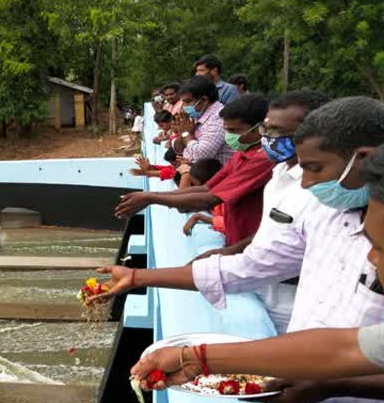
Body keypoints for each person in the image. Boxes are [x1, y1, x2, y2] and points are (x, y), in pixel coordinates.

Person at [97, 98, 384, 403]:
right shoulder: (324, 212)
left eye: (381, 250)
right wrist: (196, 357)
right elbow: (343, 346)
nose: (371, 257)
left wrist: (329, 383)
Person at [193, 90, 331, 332]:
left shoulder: (323, 192)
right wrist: (231, 250)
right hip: (267, 289)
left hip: (297, 297)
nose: (268, 138)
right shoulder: (278, 173)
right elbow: (268, 234)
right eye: (267, 130)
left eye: (277, 132)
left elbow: (266, 259)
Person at [116, 94, 273, 246]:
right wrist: (150, 196)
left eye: (234, 130)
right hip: (236, 236)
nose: (228, 136)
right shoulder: (242, 153)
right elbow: (207, 188)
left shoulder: (262, 160)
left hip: (252, 244)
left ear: (258, 129)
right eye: (227, 130)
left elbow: (211, 197)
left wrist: (151, 198)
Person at [169, 76, 232, 164]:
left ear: (203, 100)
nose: (183, 106)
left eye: (187, 101)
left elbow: (202, 155)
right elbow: (178, 149)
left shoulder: (219, 117)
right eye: (182, 102)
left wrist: (186, 133)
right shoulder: (197, 115)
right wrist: (183, 134)